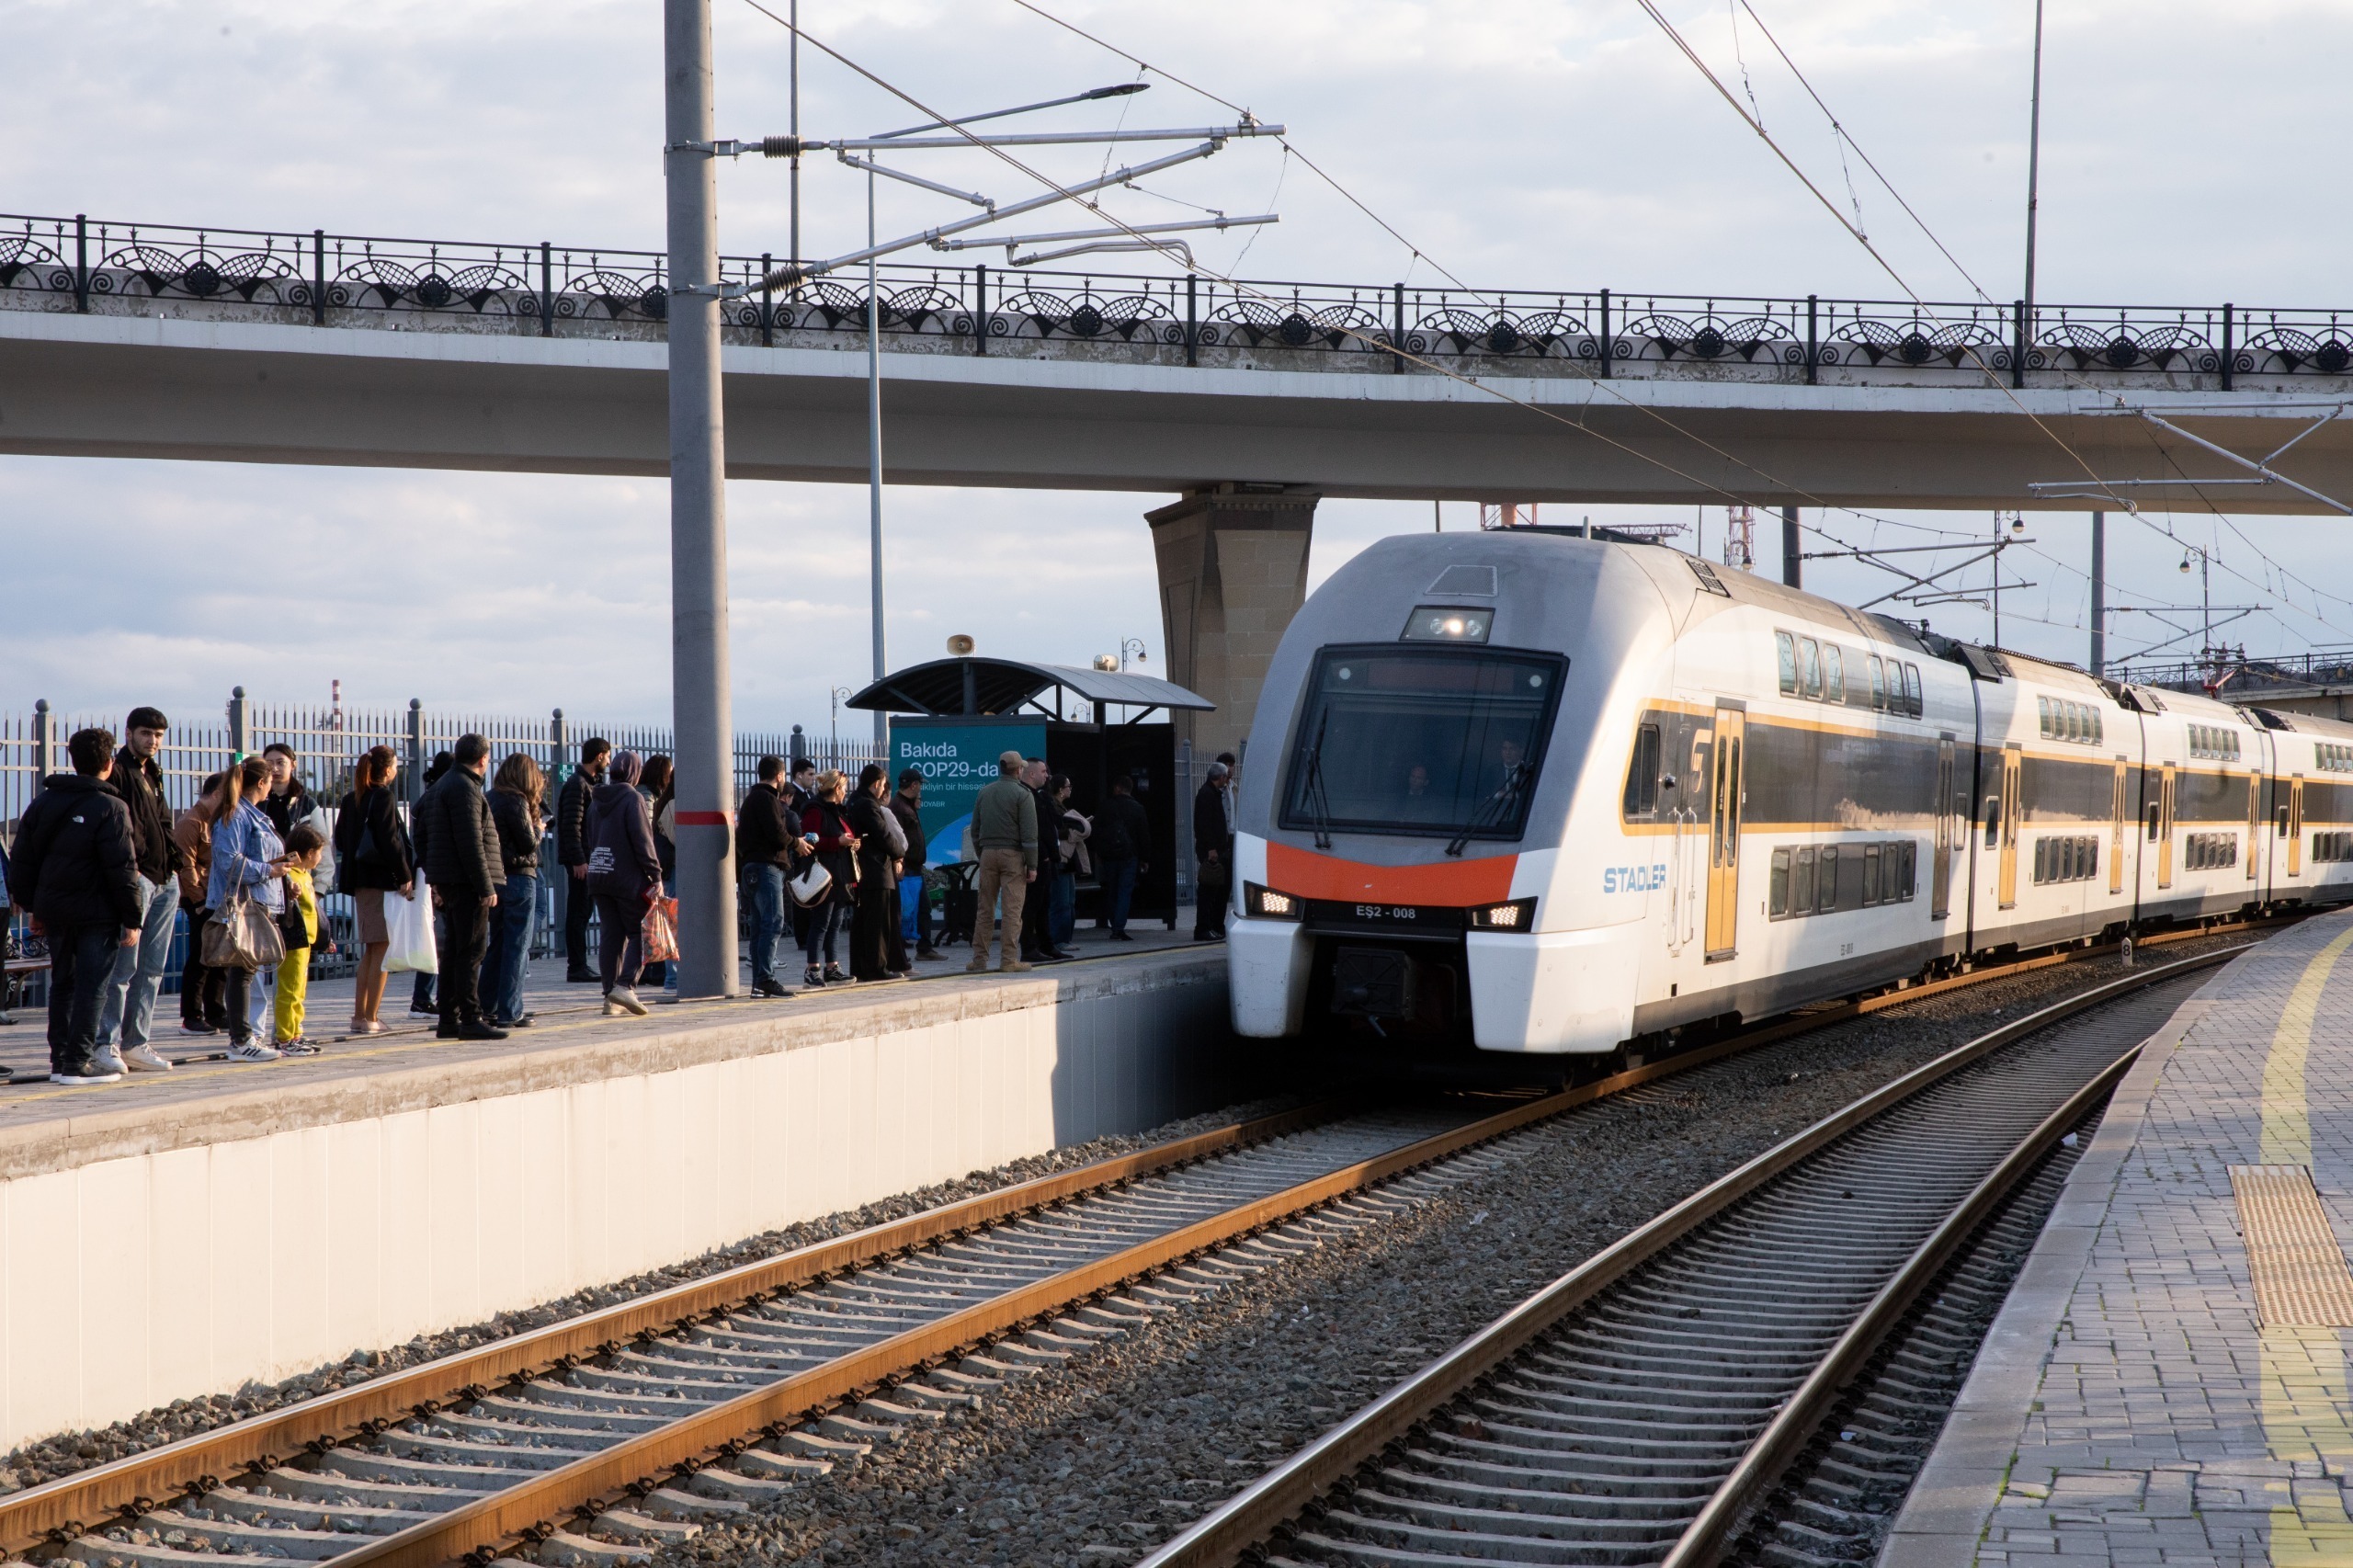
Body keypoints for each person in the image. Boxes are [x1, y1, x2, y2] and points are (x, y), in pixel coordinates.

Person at [11, 728, 143, 1085]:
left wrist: (32, 905)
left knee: (63, 985)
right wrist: (132, 917)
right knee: (93, 985)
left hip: (55, 910)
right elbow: (123, 869)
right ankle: (79, 1062)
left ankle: (60, 1061)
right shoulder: (112, 807)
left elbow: (22, 859)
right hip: (98, 913)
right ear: (108, 763)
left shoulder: (43, 802)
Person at [94, 707, 186, 1074]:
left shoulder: (153, 772)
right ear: (129, 732)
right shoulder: (119, 771)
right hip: (139, 877)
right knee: (122, 968)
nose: (153, 741)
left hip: (165, 878)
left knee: (152, 969)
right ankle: (107, 1043)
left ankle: (137, 1042)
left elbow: (163, 822)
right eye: (147, 733)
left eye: (159, 735)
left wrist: (174, 863)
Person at [415, 734, 506, 1042]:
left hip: (452, 880)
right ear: (483, 759)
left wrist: (435, 876)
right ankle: (470, 1018)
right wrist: (485, 886)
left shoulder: (443, 785)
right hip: (467, 882)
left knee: (455, 950)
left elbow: (421, 831)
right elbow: (471, 843)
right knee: (471, 951)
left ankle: (449, 1019)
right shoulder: (465, 788)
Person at [208, 755, 290, 1062]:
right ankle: (241, 1040)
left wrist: (280, 873)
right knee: (242, 972)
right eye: (270, 781)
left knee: (247, 970)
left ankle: (244, 1036)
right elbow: (230, 862)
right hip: (244, 904)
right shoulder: (237, 816)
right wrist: (270, 871)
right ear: (261, 782)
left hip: (258, 901)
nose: (272, 786)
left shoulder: (253, 815)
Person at [335, 744, 415, 1035]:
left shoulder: (350, 799)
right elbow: (390, 840)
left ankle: (360, 1015)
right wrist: (404, 875)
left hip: (360, 881)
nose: (396, 769)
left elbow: (341, 841)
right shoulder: (383, 797)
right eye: (395, 765)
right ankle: (370, 1017)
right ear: (388, 769)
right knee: (381, 948)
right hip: (380, 882)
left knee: (371, 948)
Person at [585, 750, 660, 1016]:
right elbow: (643, 841)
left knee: (611, 936)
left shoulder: (596, 800)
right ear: (634, 772)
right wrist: (655, 874)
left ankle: (609, 997)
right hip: (627, 878)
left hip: (599, 875)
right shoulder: (633, 799)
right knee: (642, 932)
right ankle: (626, 985)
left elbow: (590, 838)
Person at [480, 753, 546, 1029]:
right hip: (520, 878)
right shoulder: (516, 800)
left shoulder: (491, 797)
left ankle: (488, 1007)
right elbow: (527, 843)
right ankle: (511, 1010)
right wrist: (539, 829)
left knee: (497, 944)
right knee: (518, 946)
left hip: (496, 878)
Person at [735, 756, 806, 998]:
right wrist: (797, 843)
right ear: (779, 775)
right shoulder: (767, 799)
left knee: (759, 926)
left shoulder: (750, 800)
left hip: (752, 868)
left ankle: (758, 982)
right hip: (767, 868)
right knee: (773, 922)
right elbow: (777, 834)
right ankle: (765, 978)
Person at [967, 751, 1038, 973]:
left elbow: (975, 829)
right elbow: (1029, 835)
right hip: (1013, 856)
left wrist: (983, 853)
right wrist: (1032, 865)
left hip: (987, 854)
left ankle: (979, 960)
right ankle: (1008, 960)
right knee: (1012, 911)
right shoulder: (1023, 794)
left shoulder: (984, 792)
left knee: (984, 909)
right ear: (1018, 770)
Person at [173, 770, 233, 1033]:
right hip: (200, 898)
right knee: (200, 956)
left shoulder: (217, 821)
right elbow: (185, 865)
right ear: (218, 793)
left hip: (216, 895)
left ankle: (216, 1012)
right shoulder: (192, 822)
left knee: (219, 956)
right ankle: (192, 1016)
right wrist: (197, 902)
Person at [845, 764, 908, 983]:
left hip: (865, 871)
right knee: (878, 924)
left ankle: (861, 967)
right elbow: (883, 835)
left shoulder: (854, 800)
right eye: (882, 786)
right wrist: (899, 854)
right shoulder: (868, 805)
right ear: (875, 785)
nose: (883, 791)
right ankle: (877, 968)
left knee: (863, 922)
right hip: (875, 870)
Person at [555, 737, 611, 983]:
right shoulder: (578, 784)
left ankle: (579, 965)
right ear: (599, 756)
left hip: (587, 857)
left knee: (583, 911)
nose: (609, 761)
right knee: (578, 912)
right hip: (581, 860)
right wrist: (579, 860)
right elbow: (570, 826)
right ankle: (576, 966)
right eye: (607, 756)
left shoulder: (590, 783)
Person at [272, 824, 330, 1054]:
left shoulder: (305, 875)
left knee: (299, 991)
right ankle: (285, 1037)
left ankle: (296, 1032)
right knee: (290, 989)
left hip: (305, 942)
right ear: (309, 853)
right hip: (294, 941)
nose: (321, 857)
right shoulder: (291, 875)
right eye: (320, 852)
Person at [799, 770, 859, 986]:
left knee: (835, 922)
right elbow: (811, 840)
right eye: (844, 788)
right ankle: (812, 968)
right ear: (836, 789)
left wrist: (851, 842)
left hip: (840, 873)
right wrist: (838, 842)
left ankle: (832, 967)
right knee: (821, 922)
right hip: (824, 874)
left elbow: (843, 834)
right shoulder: (816, 810)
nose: (846, 792)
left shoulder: (837, 811)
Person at [408, 750, 455, 1017]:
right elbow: (428, 841)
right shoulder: (437, 799)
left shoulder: (429, 797)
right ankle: (423, 997)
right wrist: (435, 882)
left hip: (429, 872)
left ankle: (426, 996)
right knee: (437, 940)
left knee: (435, 938)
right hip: (433, 874)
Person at [1019, 758, 1073, 962]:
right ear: (1031, 774)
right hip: (1037, 858)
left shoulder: (1041, 797)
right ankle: (1029, 947)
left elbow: (1052, 823)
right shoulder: (1025, 796)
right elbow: (1032, 831)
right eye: (1043, 771)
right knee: (1032, 905)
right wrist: (1042, 854)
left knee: (1044, 904)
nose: (1047, 775)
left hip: (1046, 858)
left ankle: (1046, 945)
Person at [1093, 773, 1148, 942]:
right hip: (1129, 856)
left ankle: (1112, 922)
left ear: (1117, 788)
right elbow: (1144, 836)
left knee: (1112, 890)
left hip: (1109, 856)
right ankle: (1118, 928)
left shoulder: (1105, 806)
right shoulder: (1138, 808)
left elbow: (1097, 832)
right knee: (1125, 891)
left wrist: (1098, 854)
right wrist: (1145, 858)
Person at [890, 769, 936, 960]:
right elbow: (896, 838)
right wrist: (899, 862)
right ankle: (903, 952)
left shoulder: (907, 805)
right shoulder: (899, 807)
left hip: (914, 868)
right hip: (906, 868)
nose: (921, 789)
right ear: (914, 785)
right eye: (920, 785)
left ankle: (924, 948)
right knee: (906, 911)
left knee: (922, 908)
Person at [641, 756, 677, 992]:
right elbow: (678, 839)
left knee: (671, 922)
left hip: (668, 867)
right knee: (673, 923)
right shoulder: (672, 804)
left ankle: (670, 977)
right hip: (671, 869)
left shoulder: (664, 800)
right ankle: (672, 979)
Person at [1193, 758, 1235, 940]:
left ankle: (1214, 926)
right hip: (1212, 851)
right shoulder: (1206, 794)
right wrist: (1211, 848)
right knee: (1208, 890)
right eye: (1226, 777)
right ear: (1221, 776)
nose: (1227, 781)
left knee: (1218, 890)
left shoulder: (1213, 793)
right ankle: (1203, 928)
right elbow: (1204, 825)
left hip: (1220, 848)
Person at [1048, 775, 1088, 950]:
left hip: (1068, 861)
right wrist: (1073, 831)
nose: (1070, 789)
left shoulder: (1061, 807)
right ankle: (1059, 939)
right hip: (1060, 860)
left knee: (1069, 902)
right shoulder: (1052, 806)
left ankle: (1066, 938)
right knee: (1061, 902)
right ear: (1060, 789)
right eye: (1068, 786)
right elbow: (1055, 830)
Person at [259, 744, 324, 841]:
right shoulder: (257, 802)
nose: (275, 768)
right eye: (269, 763)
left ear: (293, 765)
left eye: (280, 763)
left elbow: (322, 842)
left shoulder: (307, 804)